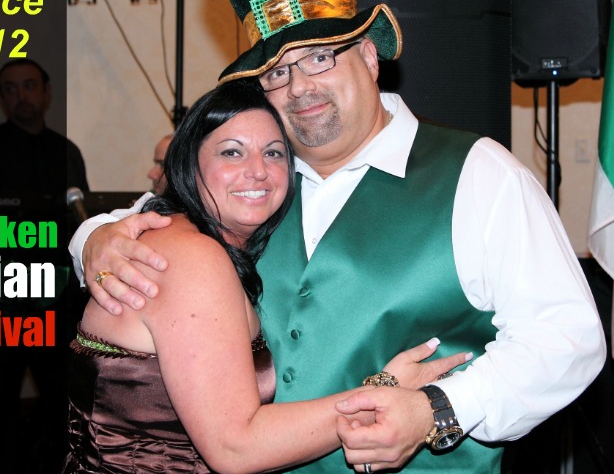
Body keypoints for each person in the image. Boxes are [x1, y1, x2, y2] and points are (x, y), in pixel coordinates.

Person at [69, 0, 607, 472]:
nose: (300, 86)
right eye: (276, 73)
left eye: (320, 57)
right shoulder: (257, 187)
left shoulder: (479, 174)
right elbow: (152, 228)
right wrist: (93, 238)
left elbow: (567, 338)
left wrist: (437, 410)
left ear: (370, 58)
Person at [61, 79, 467, 473]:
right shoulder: (192, 257)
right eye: (232, 152)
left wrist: (91, 235)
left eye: (273, 153)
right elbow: (233, 447)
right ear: (190, 163)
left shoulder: (209, 239)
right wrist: (383, 392)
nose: (257, 170)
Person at [0, 57, 89, 474]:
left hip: (58, 310)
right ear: (1, 98)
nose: (20, 95)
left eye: (29, 85)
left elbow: (81, 228)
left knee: (65, 414)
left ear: (46, 92)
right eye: (10, 88)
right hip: (0, 309)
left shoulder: (67, 153)